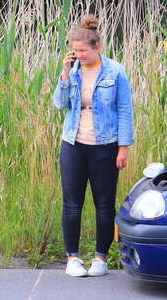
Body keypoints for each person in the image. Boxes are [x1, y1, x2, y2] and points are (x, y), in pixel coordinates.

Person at [52, 15, 133, 278]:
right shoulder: (72, 70)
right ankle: (72, 258)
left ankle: (100, 258)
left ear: (97, 47)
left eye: (83, 51)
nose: (78, 55)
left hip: (105, 145)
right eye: (74, 50)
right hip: (73, 143)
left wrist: (124, 148)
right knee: (72, 203)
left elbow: (124, 110)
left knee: (105, 204)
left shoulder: (115, 71)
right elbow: (59, 104)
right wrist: (64, 74)